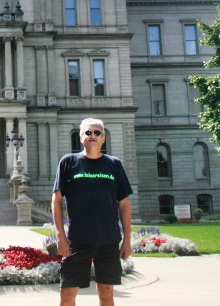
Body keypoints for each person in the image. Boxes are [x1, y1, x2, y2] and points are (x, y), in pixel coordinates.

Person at [52, 117, 133, 306]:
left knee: (106, 292)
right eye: (88, 132)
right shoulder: (68, 162)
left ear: (103, 138)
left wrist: (127, 239)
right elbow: (56, 200)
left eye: (97, 132)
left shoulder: (114, 164)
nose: (93, 136)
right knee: (67, 293)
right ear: (81, 137)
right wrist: (60, 236)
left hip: (109, 239)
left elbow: (124, 204)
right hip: (77, 241)